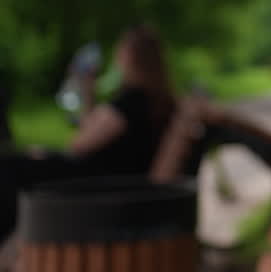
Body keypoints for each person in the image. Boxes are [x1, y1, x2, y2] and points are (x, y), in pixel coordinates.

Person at [0, 25, 178, 242]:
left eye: (120, 54)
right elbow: (93, 130)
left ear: (132, 59)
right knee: (23, 162)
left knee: (9, 169)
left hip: (97, 184)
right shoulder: (157, 104)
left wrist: (48, 155)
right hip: (118, 183)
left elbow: (80, 144)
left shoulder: (130, 103)